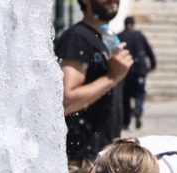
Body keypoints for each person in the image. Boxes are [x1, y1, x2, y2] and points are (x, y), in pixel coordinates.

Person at [54, 0, 133, 164]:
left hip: (103, 158)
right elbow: (65, 101)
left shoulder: (106, 38)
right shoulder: (77, 38)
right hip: (80, 161)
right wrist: (112, 77)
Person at [118, 16, 157, 130]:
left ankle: (126, 122)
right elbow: (149, 51)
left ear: (125, 24)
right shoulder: (139, 35)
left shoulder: (120, 36)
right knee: (139, 93)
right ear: (133, 24)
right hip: (140, 70)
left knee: (125, 96)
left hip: (126, 70)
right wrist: (152, 65)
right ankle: (138, 110)